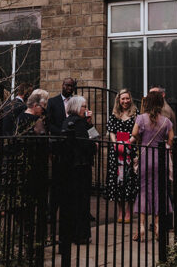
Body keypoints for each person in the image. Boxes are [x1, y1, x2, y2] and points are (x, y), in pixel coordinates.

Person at [130, 91, 173, 241]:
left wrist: (141, 140)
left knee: (143, 191)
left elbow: (134, 133)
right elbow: (170, 141)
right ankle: (157, 225)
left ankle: (141, 227)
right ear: (160, 104)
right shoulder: (166, 121)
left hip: (145, 158)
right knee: (159, 192)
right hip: (160, 160)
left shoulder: (141, 118)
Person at [58, 94, 95, 246]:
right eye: (84, 106)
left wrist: (89, 123)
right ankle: (81, 235)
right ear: (77, 108)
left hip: (68, 167)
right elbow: (90, 142)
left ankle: (68, 234)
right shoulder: (79, 123)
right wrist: (94, 145)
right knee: (81, 202)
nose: (86, 109)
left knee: (70, 202)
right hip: (81, 167)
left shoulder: (67, 121)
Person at [104, 88, 140, 223]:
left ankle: (128, 212)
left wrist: (127, 143)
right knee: (118, 181)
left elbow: (137, 132)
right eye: (123, 99)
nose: (125, 101)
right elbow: (111, 131)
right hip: (116, 153)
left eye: (127, 98)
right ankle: (120, 211)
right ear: (118, 100)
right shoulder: (114, 114)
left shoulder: (136, 114)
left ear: (130, 99)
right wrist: (115, 144)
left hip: (130, 151)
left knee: (129, 180)